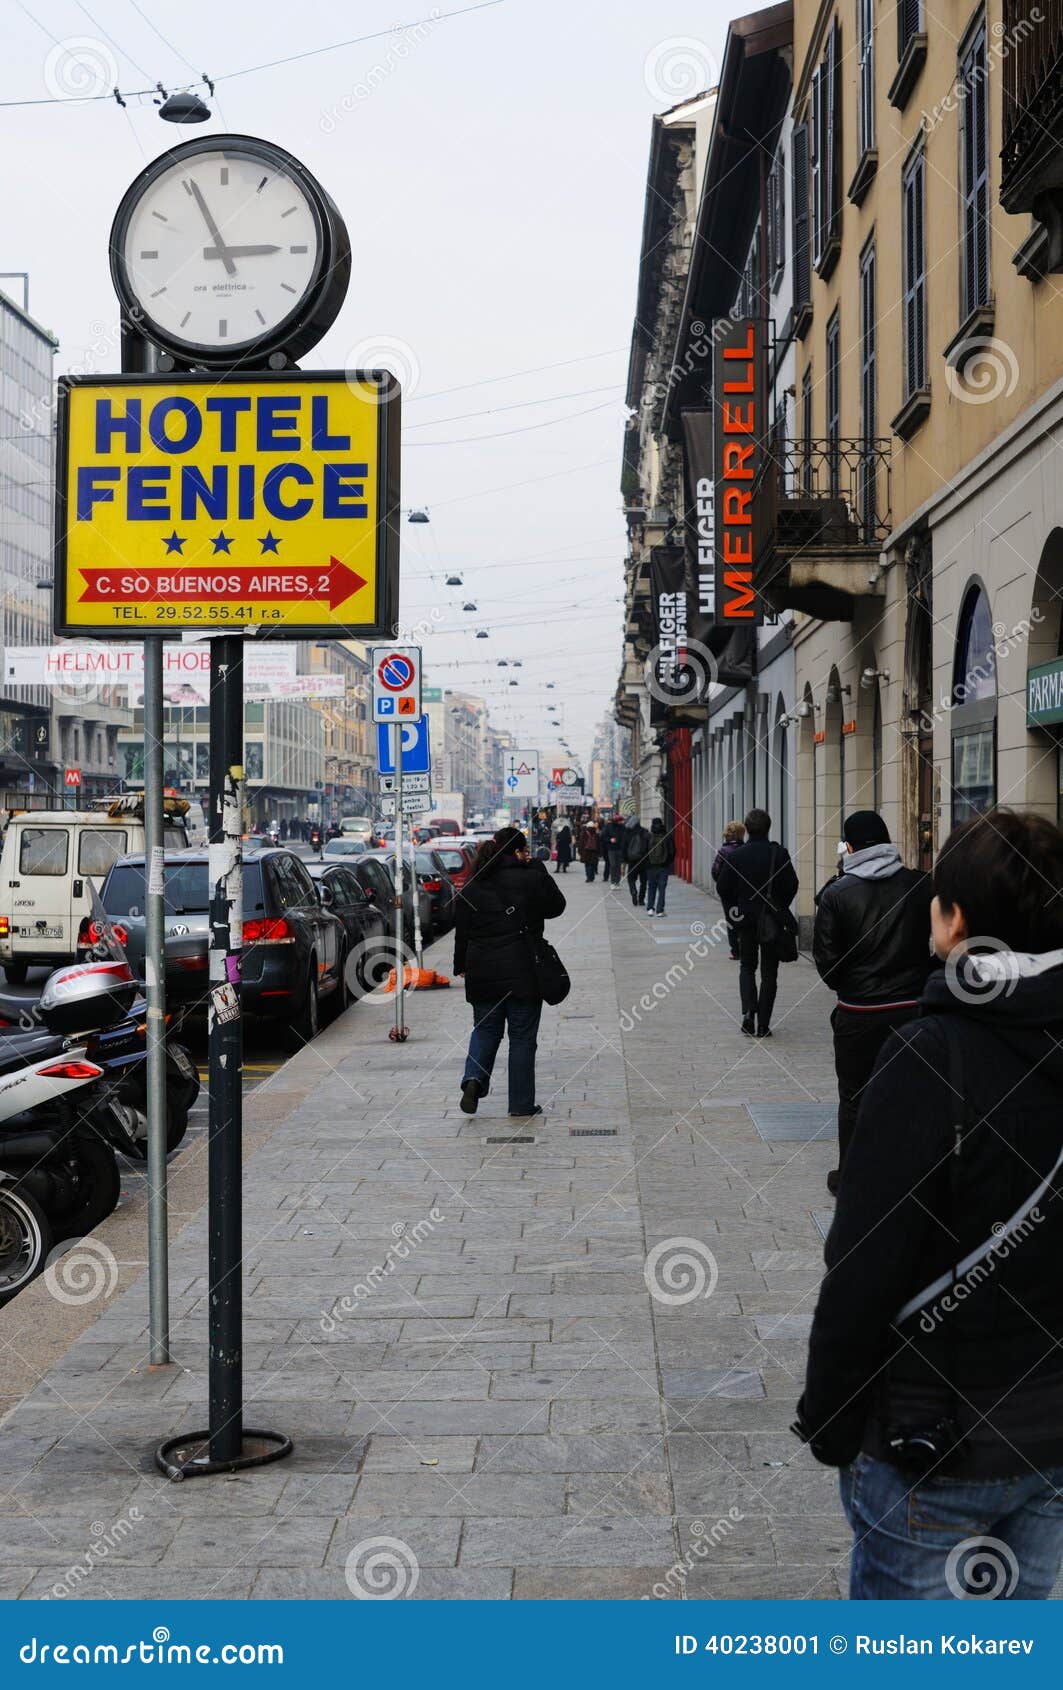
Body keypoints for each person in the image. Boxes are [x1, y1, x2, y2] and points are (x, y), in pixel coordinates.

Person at [796, 808, 1063, 1601]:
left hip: (930, 1437)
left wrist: (831, 1413)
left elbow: (865, 1257)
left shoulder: (930, 1055)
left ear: (953, 922)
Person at [813, 810, 934, 1196]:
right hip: (914, 1010)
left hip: (858, 1015)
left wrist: (856, 986)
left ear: (849, 846)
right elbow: (944, 947)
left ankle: (851, 1176)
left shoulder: (836, 894)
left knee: (854, 1096)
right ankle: (914, 1173)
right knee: (913, 1094)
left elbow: (828, 967)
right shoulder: (920, 885)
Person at [453, 826, 566, 1119]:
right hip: (524, 971)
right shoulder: (531, 878)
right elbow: (557, 907)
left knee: (486, 1030)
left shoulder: (474, 884)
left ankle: (474, 1080)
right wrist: (539, 869)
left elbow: (461, 930)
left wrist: (460, 965)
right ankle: (520, 1104)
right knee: (522, 1039)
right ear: (518, 852)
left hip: (482, 970)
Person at [715, 808, 798, 1039]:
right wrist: (779, 906)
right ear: (768, 828)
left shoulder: (735, 856)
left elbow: (723, 888)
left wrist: (735, 911)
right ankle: (764, 1024)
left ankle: (748, 1016)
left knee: (747, 967)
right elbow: (792, 884)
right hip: (771, 920)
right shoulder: (778, 854)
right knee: (770, 973)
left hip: (746, 920)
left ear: (747, 829)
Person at [711, 820, 746, 957]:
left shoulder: (724, 851)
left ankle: (735, 950)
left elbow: (715, 871)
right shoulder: (745, 850)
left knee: (731, 921)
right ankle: (745, 946)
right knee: (744, 918)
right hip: (744, 891)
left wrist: (721, 882)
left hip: (728, 893)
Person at [644, 818, 675, 915]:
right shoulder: (667, 836)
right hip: (663, 867)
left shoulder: (647, 837)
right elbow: (672, 851)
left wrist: (647, 864)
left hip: (650, 867)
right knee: (662, 889)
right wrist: (667, 863)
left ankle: (650, 909)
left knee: (651, 887)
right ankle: (660, 910)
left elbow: (643, 852)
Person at [623, 814, 650, 906]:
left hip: (632, 861)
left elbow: (624, 847)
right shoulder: (645, 832)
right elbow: (649, 847)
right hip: (644, 860)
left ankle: (633, 891)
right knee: (644, 881)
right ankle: (641, 899)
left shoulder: (627, 833)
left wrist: (625, 860)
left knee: (631, 879)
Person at [599, 812, 626, 886]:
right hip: (611, 849)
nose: (621, 822)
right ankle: (613, 881)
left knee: (618, 865)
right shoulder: (609, 826)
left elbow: (625, 837)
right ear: (616, 821)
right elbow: (603, 837)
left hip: (620, 849)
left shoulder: (623, 827)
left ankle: (617, 881)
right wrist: (610, 840)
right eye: (620, 821)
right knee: (613, 865)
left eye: (622, 821)